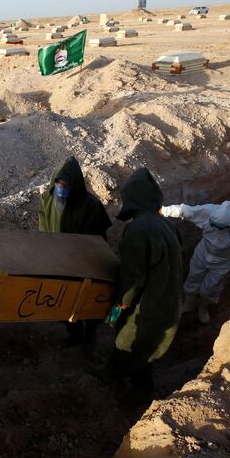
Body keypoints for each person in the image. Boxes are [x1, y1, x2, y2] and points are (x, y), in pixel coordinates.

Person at [88, 168, 183, 403]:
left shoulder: (139, 230)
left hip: (148, 302)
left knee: (128, 341)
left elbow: (133, 277)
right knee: (146, 346)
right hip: (169, 297)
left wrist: (119, 305)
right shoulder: (166, 225)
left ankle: (134, 391)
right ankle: (125, 378)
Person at [38, 156, 112, 357]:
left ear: (75, 186)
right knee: (62, 301)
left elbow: (98, 238)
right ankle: (74, 333)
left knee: (88, 303)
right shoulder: (47, 199)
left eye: (66, 185)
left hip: (83, 262)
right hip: (57, 261)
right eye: (59, 184)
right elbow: (43, 226)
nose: (61, 188)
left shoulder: (90, 205)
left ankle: (90, 336)